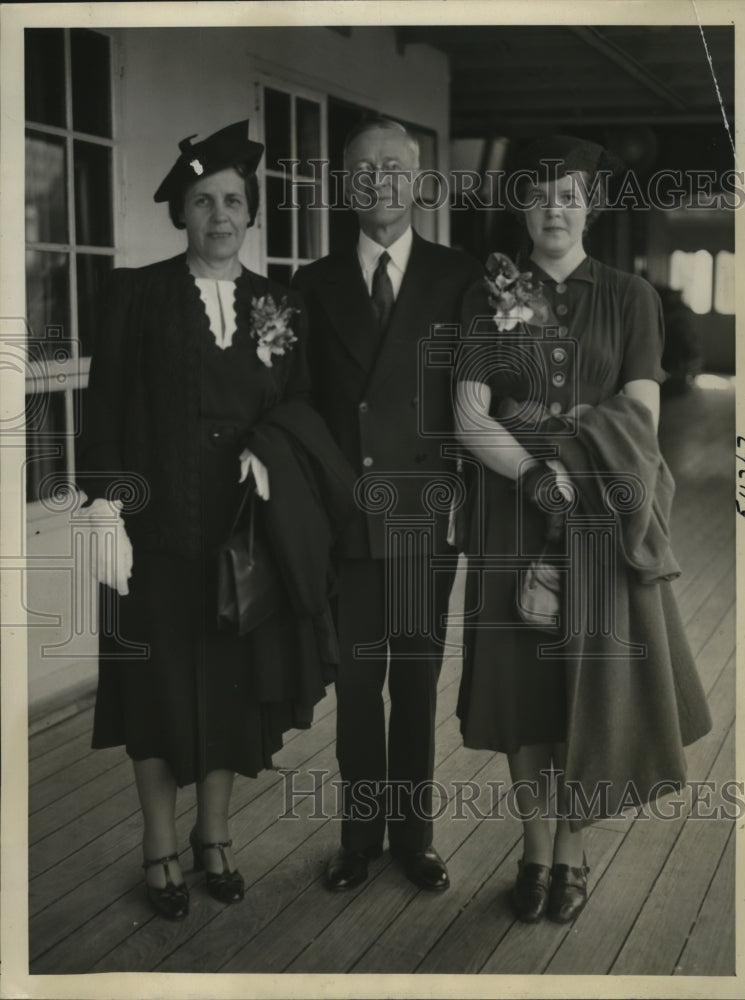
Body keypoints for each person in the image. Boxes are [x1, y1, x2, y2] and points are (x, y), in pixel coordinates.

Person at [78, 121, 354, 921]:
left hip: (242, 539)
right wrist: (103, 504)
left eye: (233, 200)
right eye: (203, 202)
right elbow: (103, 411)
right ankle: (158, 846)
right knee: (157, 694)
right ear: (182, 215)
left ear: (251, 213)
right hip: (155, 537)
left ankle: (214, 837)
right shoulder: (136, 294)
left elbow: (300, 402)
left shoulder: (281, 304)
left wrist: (270, 448)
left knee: (232, 693)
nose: (219, 215)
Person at [454, 135, 712, 924]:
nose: (554, 206)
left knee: (584, 690)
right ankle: (533, 848)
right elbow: (468, 417)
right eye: (538, 193)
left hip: (596, 518)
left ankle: (570, 849)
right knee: (522, 697)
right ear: (520, 207)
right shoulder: (486, 292)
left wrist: (557, 447)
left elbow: (638, 418)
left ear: (590, 205)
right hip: (509, 516)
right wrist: (534, 472)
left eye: (569, 193)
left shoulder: (631, 299)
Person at [293, 117, 481, 892]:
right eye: (363, 170)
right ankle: (357, 841)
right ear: (345, 184)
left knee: (413, 683)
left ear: (417, 182)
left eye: (394, 169)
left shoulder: (460, 276)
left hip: (420, 517)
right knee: (356, 687)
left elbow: (480, 399)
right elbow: (300, 407)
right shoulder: (311, 284)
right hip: (346, 522)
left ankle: (416, 839)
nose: (378, 183)